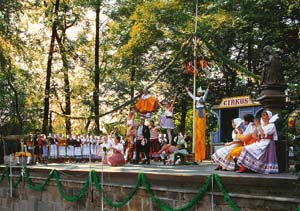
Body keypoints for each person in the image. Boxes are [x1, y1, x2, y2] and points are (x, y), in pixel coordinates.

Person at [185, 84, 210, 163]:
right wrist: (188, 91)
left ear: (201, 93)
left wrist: (208, 88)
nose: (198, 93)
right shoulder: (196, 98)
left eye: (199, 92)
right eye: (198, 92)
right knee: (197, 133)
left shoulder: (202, 98)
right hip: (197, 113)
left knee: (201, 134)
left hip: (201, 112)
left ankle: (201, 156)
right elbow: (191, 96)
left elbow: (206, 94)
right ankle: (197, 156)